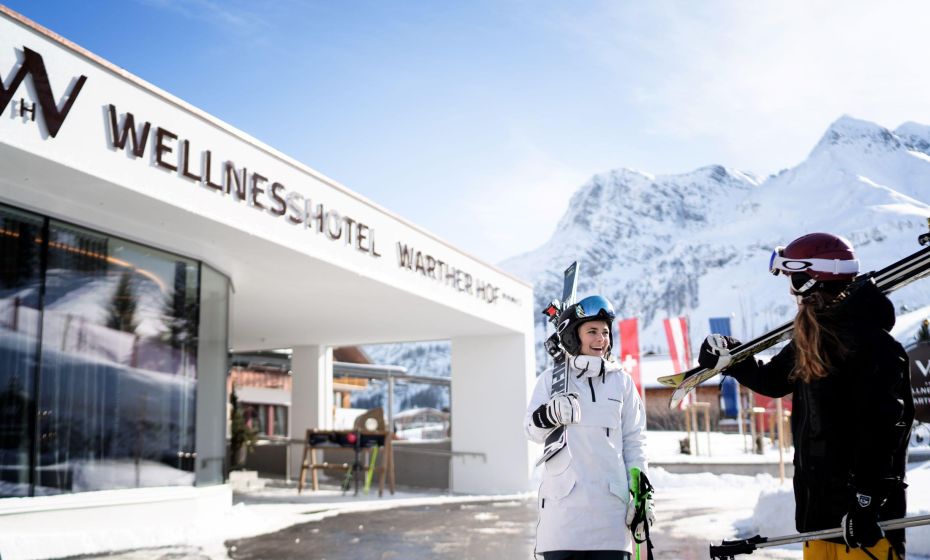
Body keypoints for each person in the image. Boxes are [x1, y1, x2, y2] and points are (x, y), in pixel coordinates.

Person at [699, 232, 914, 560]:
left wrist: (867, 501)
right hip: (819, 518)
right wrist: (732, 358)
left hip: (865, 525)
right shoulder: (810, 340)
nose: (792, 292)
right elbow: (772, 379)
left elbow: (885, 432)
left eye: (797, 281)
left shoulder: (877, 348)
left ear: (822, 280)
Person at [525, 294, 652, 560]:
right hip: (562, 521)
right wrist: (549, 415)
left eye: (605, 332)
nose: (600, 339)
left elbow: (634, 441)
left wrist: (640, 497)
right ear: (574, 335)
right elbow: (531, 430)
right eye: (592, 331)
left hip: (610, 521)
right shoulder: (552, 380)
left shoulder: (622, 383)